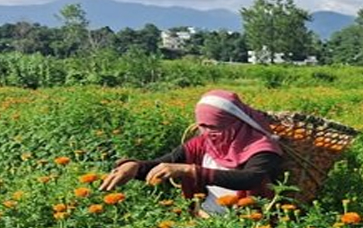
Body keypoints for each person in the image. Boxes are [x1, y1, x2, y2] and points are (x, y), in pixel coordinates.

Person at [99, 90, 284, 215]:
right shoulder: (202, 143)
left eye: (213, 127)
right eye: (202, 126)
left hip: (249, 221)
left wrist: (190, 170)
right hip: (207, 218)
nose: (207, 132)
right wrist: (134, 167)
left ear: (235, 123)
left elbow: (250, 178)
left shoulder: (262, 148)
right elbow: (166, 163)